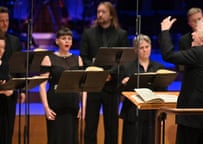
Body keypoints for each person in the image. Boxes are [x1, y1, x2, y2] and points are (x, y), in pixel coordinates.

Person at [159, 16, 203, 144]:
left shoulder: (199, 53)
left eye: (196, 32)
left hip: (192, 117)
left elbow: (168, 55)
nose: (192, 34)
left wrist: (165, 31)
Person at [80, 1, 129, 144]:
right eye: (98, 12)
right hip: (93, 84)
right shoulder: (88, 33)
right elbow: (84, 57)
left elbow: (123, 59)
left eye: (103, 12)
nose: (99, 15)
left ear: (111, 15)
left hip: (112, 85)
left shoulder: (121, 34)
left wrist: (110, 73)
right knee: (90, 126)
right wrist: (98, 73)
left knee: (112, 126)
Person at [39, 26, 85, 144]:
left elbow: (82, 85)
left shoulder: (78, 59)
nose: (67, 41)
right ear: (57, 41)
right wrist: (46, 108)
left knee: (72, 138)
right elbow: (42, 85)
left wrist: (83, 106)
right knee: (55, 138)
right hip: (55, 106)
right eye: (64, 38)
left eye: (69, 39)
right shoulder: (48, 59)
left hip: (72, 106)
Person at [120, 34, 165, 144]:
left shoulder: (158, 67)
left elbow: (163, 90)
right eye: (141, 48)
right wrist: (124, 83)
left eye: (147, 47)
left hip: (151, 114)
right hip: (133, 113)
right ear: (135, 50)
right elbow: (119, 91)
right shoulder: (127, 67)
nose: (145, 50)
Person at [0, 6, 25, 144]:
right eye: (1, 21)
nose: (5, 24)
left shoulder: (14, 41)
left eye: (7, 20)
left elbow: (19, 66)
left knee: (8, 131)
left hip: (10, 93)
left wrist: (22, 90)